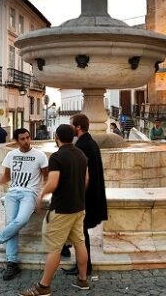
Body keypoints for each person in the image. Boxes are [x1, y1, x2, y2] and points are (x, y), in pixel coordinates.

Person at [18, 124, 90, 296]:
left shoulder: (57, 157)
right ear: (72, 136)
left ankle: (44, 286)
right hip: (79, 207)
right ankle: (82, 279)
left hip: (61, 209)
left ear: (57, 137)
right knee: (80, 243)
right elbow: (86, 179)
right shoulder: (81, 154)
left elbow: (53, 182)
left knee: (54, 248)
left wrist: (40, 194)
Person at [0, 128, 49, 281]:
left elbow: (47, 177)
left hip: (30, 193)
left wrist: (42, 194)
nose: (26, 141)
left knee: (21, 220)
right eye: (22, 139)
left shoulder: (39, 156)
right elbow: (6, 177)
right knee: (12, 223)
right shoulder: (11, 155)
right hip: (12, 193)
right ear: (16, 141)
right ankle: (12, 262)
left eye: (28, 137)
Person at [61, 114, 107, 278]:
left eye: (71, 124)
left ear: (78, 126)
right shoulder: (89, 142)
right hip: (91, 195)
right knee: (81, 233)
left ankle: (84, 267)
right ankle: (82, 264)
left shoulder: (82, 145)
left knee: (81, 235)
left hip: (85, 197)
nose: (70, 127)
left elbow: (82, 175)